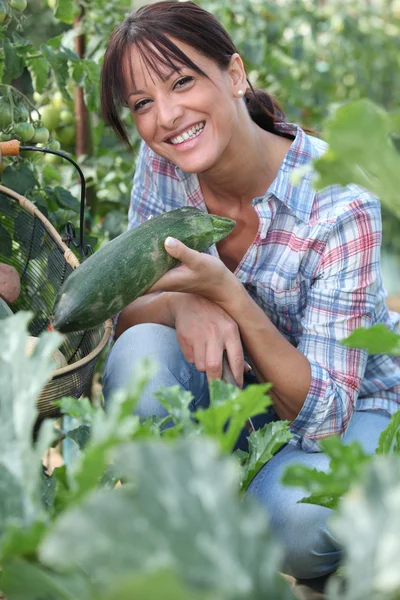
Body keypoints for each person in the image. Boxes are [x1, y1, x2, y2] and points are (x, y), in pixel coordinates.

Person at [100, 0, 400, 590]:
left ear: (235, 75)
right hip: (243, 395)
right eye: (141, 104)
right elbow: (125, 308)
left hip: (346, 407)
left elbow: (326, 420)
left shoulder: (340, 207)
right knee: (140, 359)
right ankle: (211, 518)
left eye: (182, 82)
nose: (165, 116)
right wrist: (186, 302)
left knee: (301, 524)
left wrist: (229, 297)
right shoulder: (165, 165)